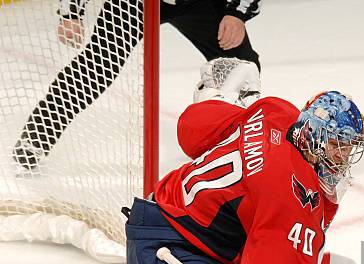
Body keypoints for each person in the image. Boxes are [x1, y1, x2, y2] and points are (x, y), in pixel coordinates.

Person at [39, 61, 364, 264]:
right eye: (338, 144)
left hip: (168, 224)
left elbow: (195, 128)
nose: (344, 155)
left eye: (350, 147)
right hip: (166, 255)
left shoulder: (276, 112)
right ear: (312, 135)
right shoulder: (289, 191)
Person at [13, 0, 261, 170]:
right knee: (94, 70)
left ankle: (241, 149)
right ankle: (36, 139)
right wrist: (71, 11)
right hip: (134, 5)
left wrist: (237, 13)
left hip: (202, 4)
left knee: (243, 66)